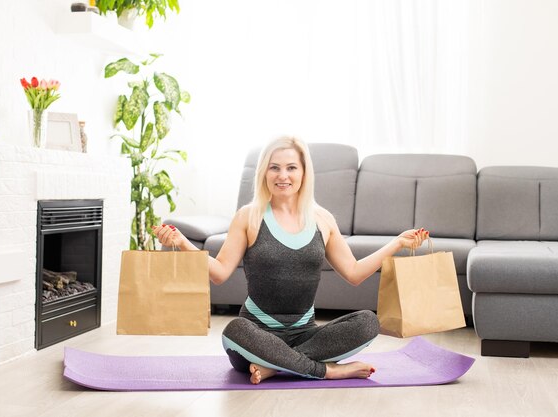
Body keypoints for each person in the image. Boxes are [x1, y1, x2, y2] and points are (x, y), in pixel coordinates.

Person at [153, 136, 429, 384]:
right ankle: (325, 371)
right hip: (256, 336)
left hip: (305, 335)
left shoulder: (322, 219)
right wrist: (182, 243)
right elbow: (220, 273)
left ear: (304, 172)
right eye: (274, 167)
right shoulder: (249, 216)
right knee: (234, 331)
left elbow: (354, 273)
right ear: (264, 172)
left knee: (368, 322)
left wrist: (396, 244)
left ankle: (277, 367)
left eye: (291, 167)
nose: (282, 175)